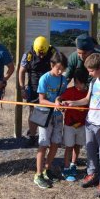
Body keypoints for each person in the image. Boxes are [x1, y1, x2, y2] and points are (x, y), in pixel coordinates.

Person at [64, 53, 100, 198]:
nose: (89, 73)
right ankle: (92, 174)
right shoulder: (93, 82)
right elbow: (87, 99)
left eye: (91, 71)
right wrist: (72, 103)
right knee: (90, 151)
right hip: (90, 123)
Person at [33, 52, 68, 189]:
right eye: (58, 68)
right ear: (52, 65)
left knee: (55, 143)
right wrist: (55, 104)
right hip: (44, 115)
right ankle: (38, 174)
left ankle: (47, 169)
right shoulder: (44, 79)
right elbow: (41, 100)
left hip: (58, 116)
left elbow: (61, 96)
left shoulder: (63, 80)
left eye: (62, 69)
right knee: (43, 143)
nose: (60, 71)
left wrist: (62, 103)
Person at [19, 36, 57, 147]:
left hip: (49, 88)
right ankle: (32, 136)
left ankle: (46, 136)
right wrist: (22, 88)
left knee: (49, 112)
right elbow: (21, 71)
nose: (41, 56)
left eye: (43, 53)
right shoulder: (28, 55)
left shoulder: (53, 52)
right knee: (33, 112)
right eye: (39, 53)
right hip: (33, 87)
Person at [59, 68, 89, 182]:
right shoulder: (69, 91)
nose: (78, 85)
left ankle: (73, 164)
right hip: (69, 125)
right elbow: (60, 98)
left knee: (77, 145)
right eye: (76, 82)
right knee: (69, 146)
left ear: (85, 82)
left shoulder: (88, 94)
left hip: (82, 125)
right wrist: (59, 102)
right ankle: (66, 168)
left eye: (80, 83)